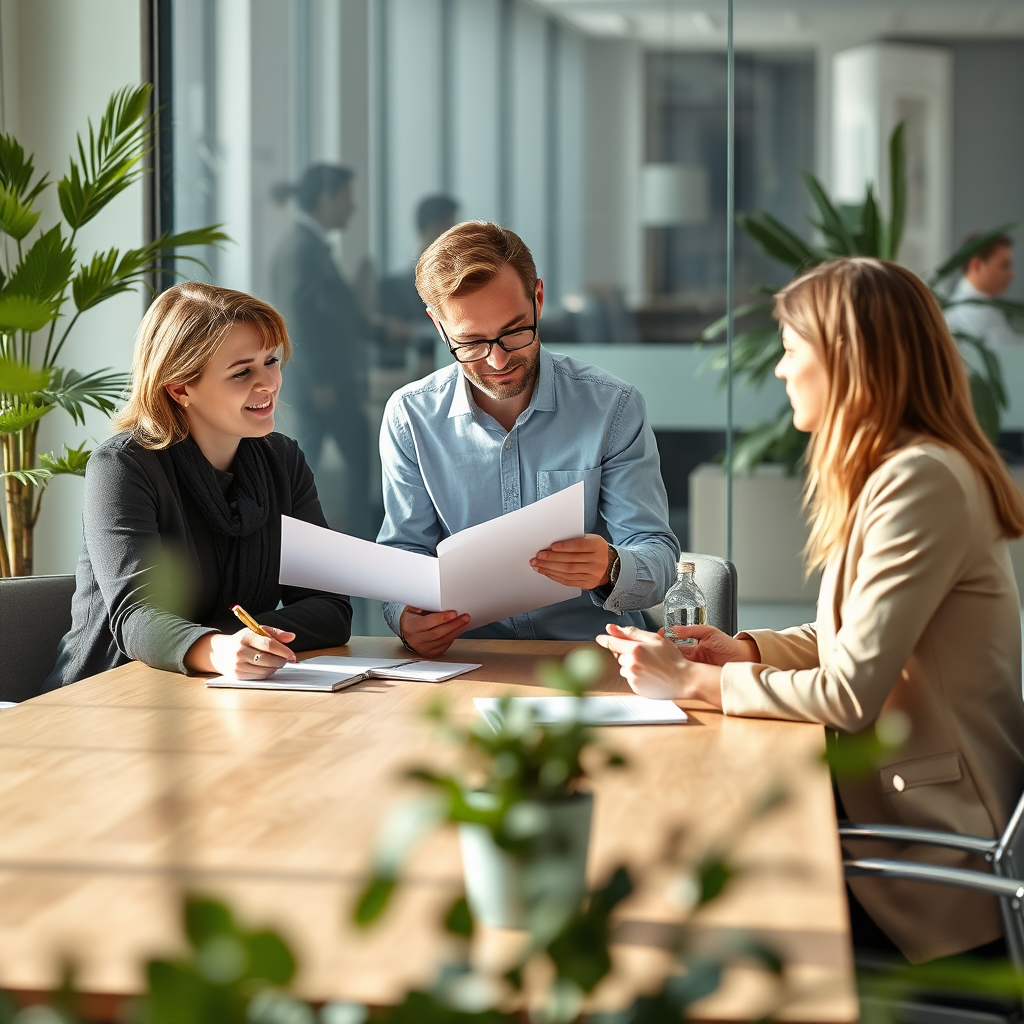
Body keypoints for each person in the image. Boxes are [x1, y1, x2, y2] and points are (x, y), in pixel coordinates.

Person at [598, 257, 1024, 964]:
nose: (780, 371)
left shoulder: (920, 481)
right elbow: (850, 637)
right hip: (890, 822)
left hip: (932, 863)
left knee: (688, 909)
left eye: (793, 351)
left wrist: (690, 683)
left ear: (846, 361)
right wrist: (747, 652)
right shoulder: (902, 472)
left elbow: (851, 694)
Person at [377, 220, 680, 657]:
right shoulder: (410, 416)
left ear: (538, 298)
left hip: (592, 655)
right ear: (439, 327)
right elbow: (404, 552)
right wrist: (403, 617)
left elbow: (657, 552)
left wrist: (611, 566)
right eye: (471, 341)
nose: (497, 359)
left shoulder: (612, 406)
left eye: (515, 331)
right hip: (467, 662)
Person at [43, 283, 353, 689]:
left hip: (226, 691)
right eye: (242, 371)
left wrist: (242, 641)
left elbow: (330, 608)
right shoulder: (123, 466)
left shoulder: (283, 460)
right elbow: (137, 616)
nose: (269, 383)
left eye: (271, 361)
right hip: (111, 693)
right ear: (180, 388)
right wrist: (220, 648)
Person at [269, 163, 376, 538]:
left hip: (326, 384)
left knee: (317, 468)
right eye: (348, 196)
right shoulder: (302, 250)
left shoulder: (310, 247)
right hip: (323, 386)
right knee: (315, 470)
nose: (354, 206)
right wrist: (321, 380)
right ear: (325, 198)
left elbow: (338, 314)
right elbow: (297, 321)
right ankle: (345, 552)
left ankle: (324, 550)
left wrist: (383, 332)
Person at [377, 194, 460, 369]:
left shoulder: (397, 284)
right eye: (451, 226)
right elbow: (394, 332)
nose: (456, 234)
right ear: (434, 227)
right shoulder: (395, 287)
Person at [945, 232, 1021, 346]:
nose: (1011, 275)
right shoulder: (975, 310)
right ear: (976, 265)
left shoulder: (982, 305)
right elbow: (1011, 352)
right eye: (1004, 265)